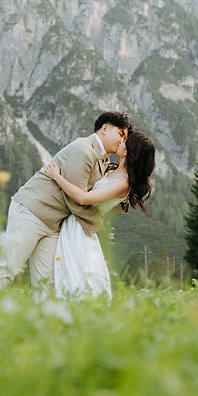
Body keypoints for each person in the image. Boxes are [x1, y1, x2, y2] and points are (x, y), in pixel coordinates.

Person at [0, 112, 130, 298]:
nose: (122, 140)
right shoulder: (83, 149)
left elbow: (96, 195)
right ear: (105, 128)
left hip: (52, 225)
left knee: (48, 282)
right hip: (31, 212)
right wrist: (96, 223)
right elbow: (77, 200)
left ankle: (41, 324)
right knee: (9, 267)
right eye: (121, 134)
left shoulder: (104, 161)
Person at [45, 129, 155, 300]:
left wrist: (57, 177)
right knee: (71, 272)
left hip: (80, 227)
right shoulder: (112, 169)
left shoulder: (123, 184)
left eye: (125, 141)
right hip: (76, 220)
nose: (120, 141)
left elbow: (84, 198)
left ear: (128, 152)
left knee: (75, 274)